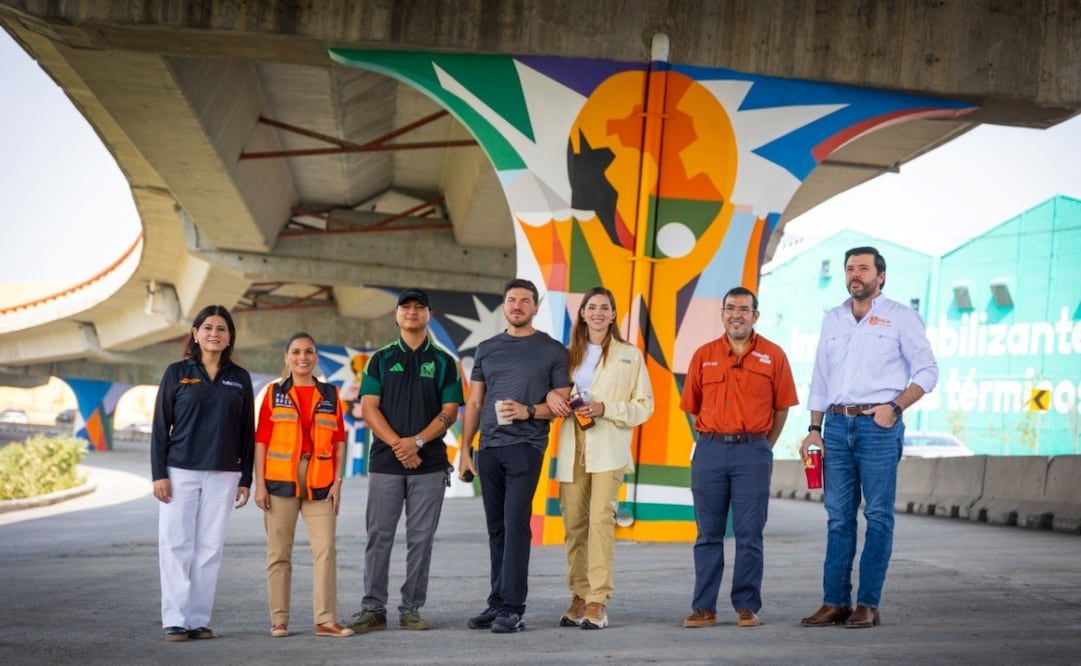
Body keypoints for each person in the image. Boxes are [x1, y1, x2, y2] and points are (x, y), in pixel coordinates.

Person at [799, 246, 938, 630]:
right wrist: (814, 429)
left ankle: (868, 604)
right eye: (849, 268)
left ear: (881, 276)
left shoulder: (901, 318)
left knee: (877, 516)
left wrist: (894, 407)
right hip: (837, 425)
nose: (854, 274)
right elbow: (821, 378)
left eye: (863, 268)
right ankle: (834, 602)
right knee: (837, 518)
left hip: (879, 427)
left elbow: (927, 371)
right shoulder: (833, 319)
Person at [679, 287, 798, 629]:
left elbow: (781, 408)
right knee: (708, 534)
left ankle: (746, 605)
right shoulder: (704, 355)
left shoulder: (774, 356)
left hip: (753, 451)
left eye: (744, 309)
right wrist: (709, 438)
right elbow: (692, 406)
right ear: (722, 313)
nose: (736, 315)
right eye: (730, 308)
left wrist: (761, 446)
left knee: (749, 533)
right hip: (710, 450)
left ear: (755, 316)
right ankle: (704, 607)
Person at [457, 278, 571, 633]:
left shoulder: (553, 350)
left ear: (536, 308)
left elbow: (561, 404)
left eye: (525, 300)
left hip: (526, 447)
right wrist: (465, 450)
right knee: (496, 529)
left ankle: (513, 607)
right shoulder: (487, 348)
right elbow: (475, 402)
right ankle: (496, 601)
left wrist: (528, 411)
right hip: (489, 447)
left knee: (516, 524)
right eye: (511, 300)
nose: (518, 305)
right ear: (504, 307)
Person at [348, 288, 464, 634]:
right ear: (396, 315)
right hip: (386, 461)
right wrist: (400, 445)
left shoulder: (444, 362)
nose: (412, 312)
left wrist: (416, 442)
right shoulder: (380, 359)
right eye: (405, 307)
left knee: (421, 539)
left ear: (428, 315)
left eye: (419, 307)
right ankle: (373, 609)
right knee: (379, 535)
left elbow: (450, 411)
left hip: (428, 465)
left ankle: (411, 608)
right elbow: (369, 407)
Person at [548, 286, 654, 630]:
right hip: (571, 444)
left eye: (604, 308)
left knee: (600, 524)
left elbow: (645, 406)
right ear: (581, 313)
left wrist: (606, 407)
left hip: (608, 446)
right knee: (574, 525)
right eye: (590, 307)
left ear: (612, 314)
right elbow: (551, 395)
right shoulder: (566, 355)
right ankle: (578, 595)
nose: (597, 312)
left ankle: (597, 601)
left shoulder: (629, 355)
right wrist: (554, 398)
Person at [150, 305, 254, 642]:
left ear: (229, 338)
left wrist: (246, 478)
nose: (214, 334)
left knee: (210, 547)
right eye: (207, 327)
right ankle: (175, 619)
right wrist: (159, 474)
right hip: (180, 471)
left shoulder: (239, 378)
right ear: (195, 333)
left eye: (221, 329)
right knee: (176, 544)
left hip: (224, 473)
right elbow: (159, 428)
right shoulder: (176, 373)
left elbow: (246, 433)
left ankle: (197, 619)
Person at [253, 332, 354, 638]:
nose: (302, 357)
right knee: (279, 554)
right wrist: (260, 485)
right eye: (296, 351)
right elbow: (261, 441)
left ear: (315, 358)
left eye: (309, 352)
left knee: (325, 551)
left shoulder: (330, 395)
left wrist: (338, 483)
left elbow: (339, 442)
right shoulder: (274, 394)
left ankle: (325, 620)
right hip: (280, 479)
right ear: (287, 357)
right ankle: (280, 620)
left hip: (320, 480)